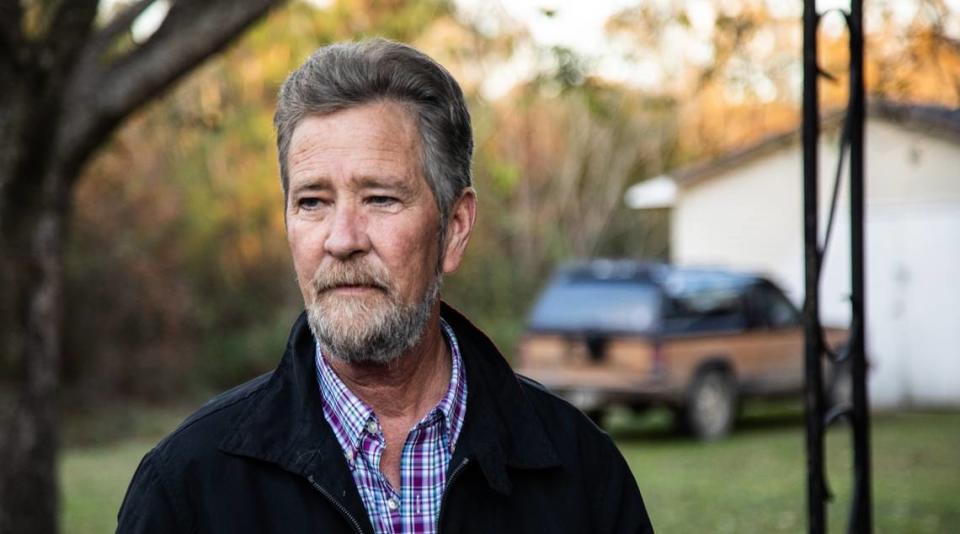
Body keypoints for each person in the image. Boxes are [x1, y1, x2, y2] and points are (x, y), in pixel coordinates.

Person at [117, 38, 653, 534]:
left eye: (380, 198)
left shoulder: (583, 473)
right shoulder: (186, 490)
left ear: (455, 227)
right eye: (312, 202)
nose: (341, 239)